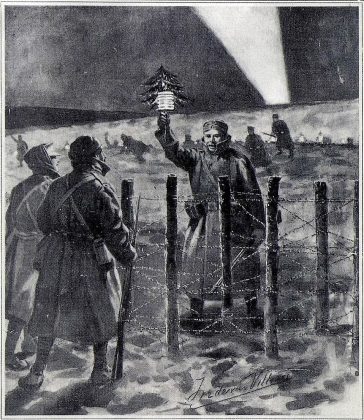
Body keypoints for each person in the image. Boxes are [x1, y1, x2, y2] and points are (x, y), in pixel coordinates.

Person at [18, 136, 137, 390]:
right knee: (100, 309)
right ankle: (99, 371)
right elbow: (114, 231)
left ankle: (37, 372)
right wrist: (128, 255)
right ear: (95, 158)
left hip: (56, 257)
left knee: (48, 310)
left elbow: (43, 222)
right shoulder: (101, 188)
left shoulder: (57, 185)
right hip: (89, 258)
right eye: (101, 153)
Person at [156, 113, 265, 324]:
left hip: (235, 223)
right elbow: (174, 152)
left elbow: (254, 196)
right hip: (204, 223)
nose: (212, 141)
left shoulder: (238, 161)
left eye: (216, 136)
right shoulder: (195, 158)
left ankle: (252, 311)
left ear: (226, 137)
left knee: (242, 265)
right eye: (208, 136)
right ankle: (197, 312)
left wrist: (259, 227)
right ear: (203, 138)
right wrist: (164, 131)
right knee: (196, 263)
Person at [5, 144, 60, 370]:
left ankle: (29, 346)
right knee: (26, 301)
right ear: (46, 161)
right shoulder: (47, 188)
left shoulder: (20, 187)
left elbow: (9, 221)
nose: (56, 161)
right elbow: (49, 223)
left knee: (28, 299)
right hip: (35, 248)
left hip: (18, 246)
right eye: (53, 158)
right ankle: (8, 354)